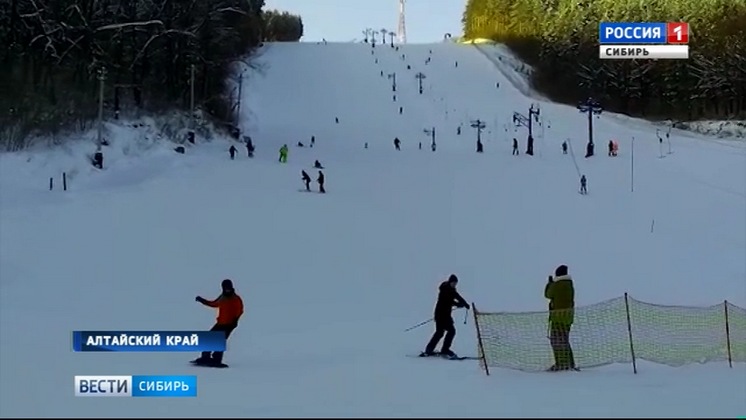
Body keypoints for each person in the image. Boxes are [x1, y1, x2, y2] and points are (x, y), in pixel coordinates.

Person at [192, 279, 244, 366]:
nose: (227, 290)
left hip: (229, 324)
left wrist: (235, 321)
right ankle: (205, 357)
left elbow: (240, 310)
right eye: (225, 288)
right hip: (220, 323)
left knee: (219, 341)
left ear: (231, 287)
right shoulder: (222, 297)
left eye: (229, 288)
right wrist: (203, 301)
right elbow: (214, 304)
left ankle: (217, 360)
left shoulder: (236, 299)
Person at [422, 274, 469, 358]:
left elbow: (457, 296)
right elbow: (448, 301)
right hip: (441, 315)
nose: (454, 284)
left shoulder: (451, 290)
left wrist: (465, 304)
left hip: (445, 315)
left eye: (455, 283)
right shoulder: (445, 290)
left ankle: (434, 349)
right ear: (450, 282)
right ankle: (439, 349)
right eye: (453, 283)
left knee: (442, 332)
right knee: (448, 331)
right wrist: (458, 304)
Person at [545, 265, 576, 371]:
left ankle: (561, 364)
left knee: (556, 341)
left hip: (558, 318)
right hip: (568, 318)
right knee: (565, 341)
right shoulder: (569, 284)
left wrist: (550, 283)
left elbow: (548, 294)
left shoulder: (557, 285)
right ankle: (570, 363)